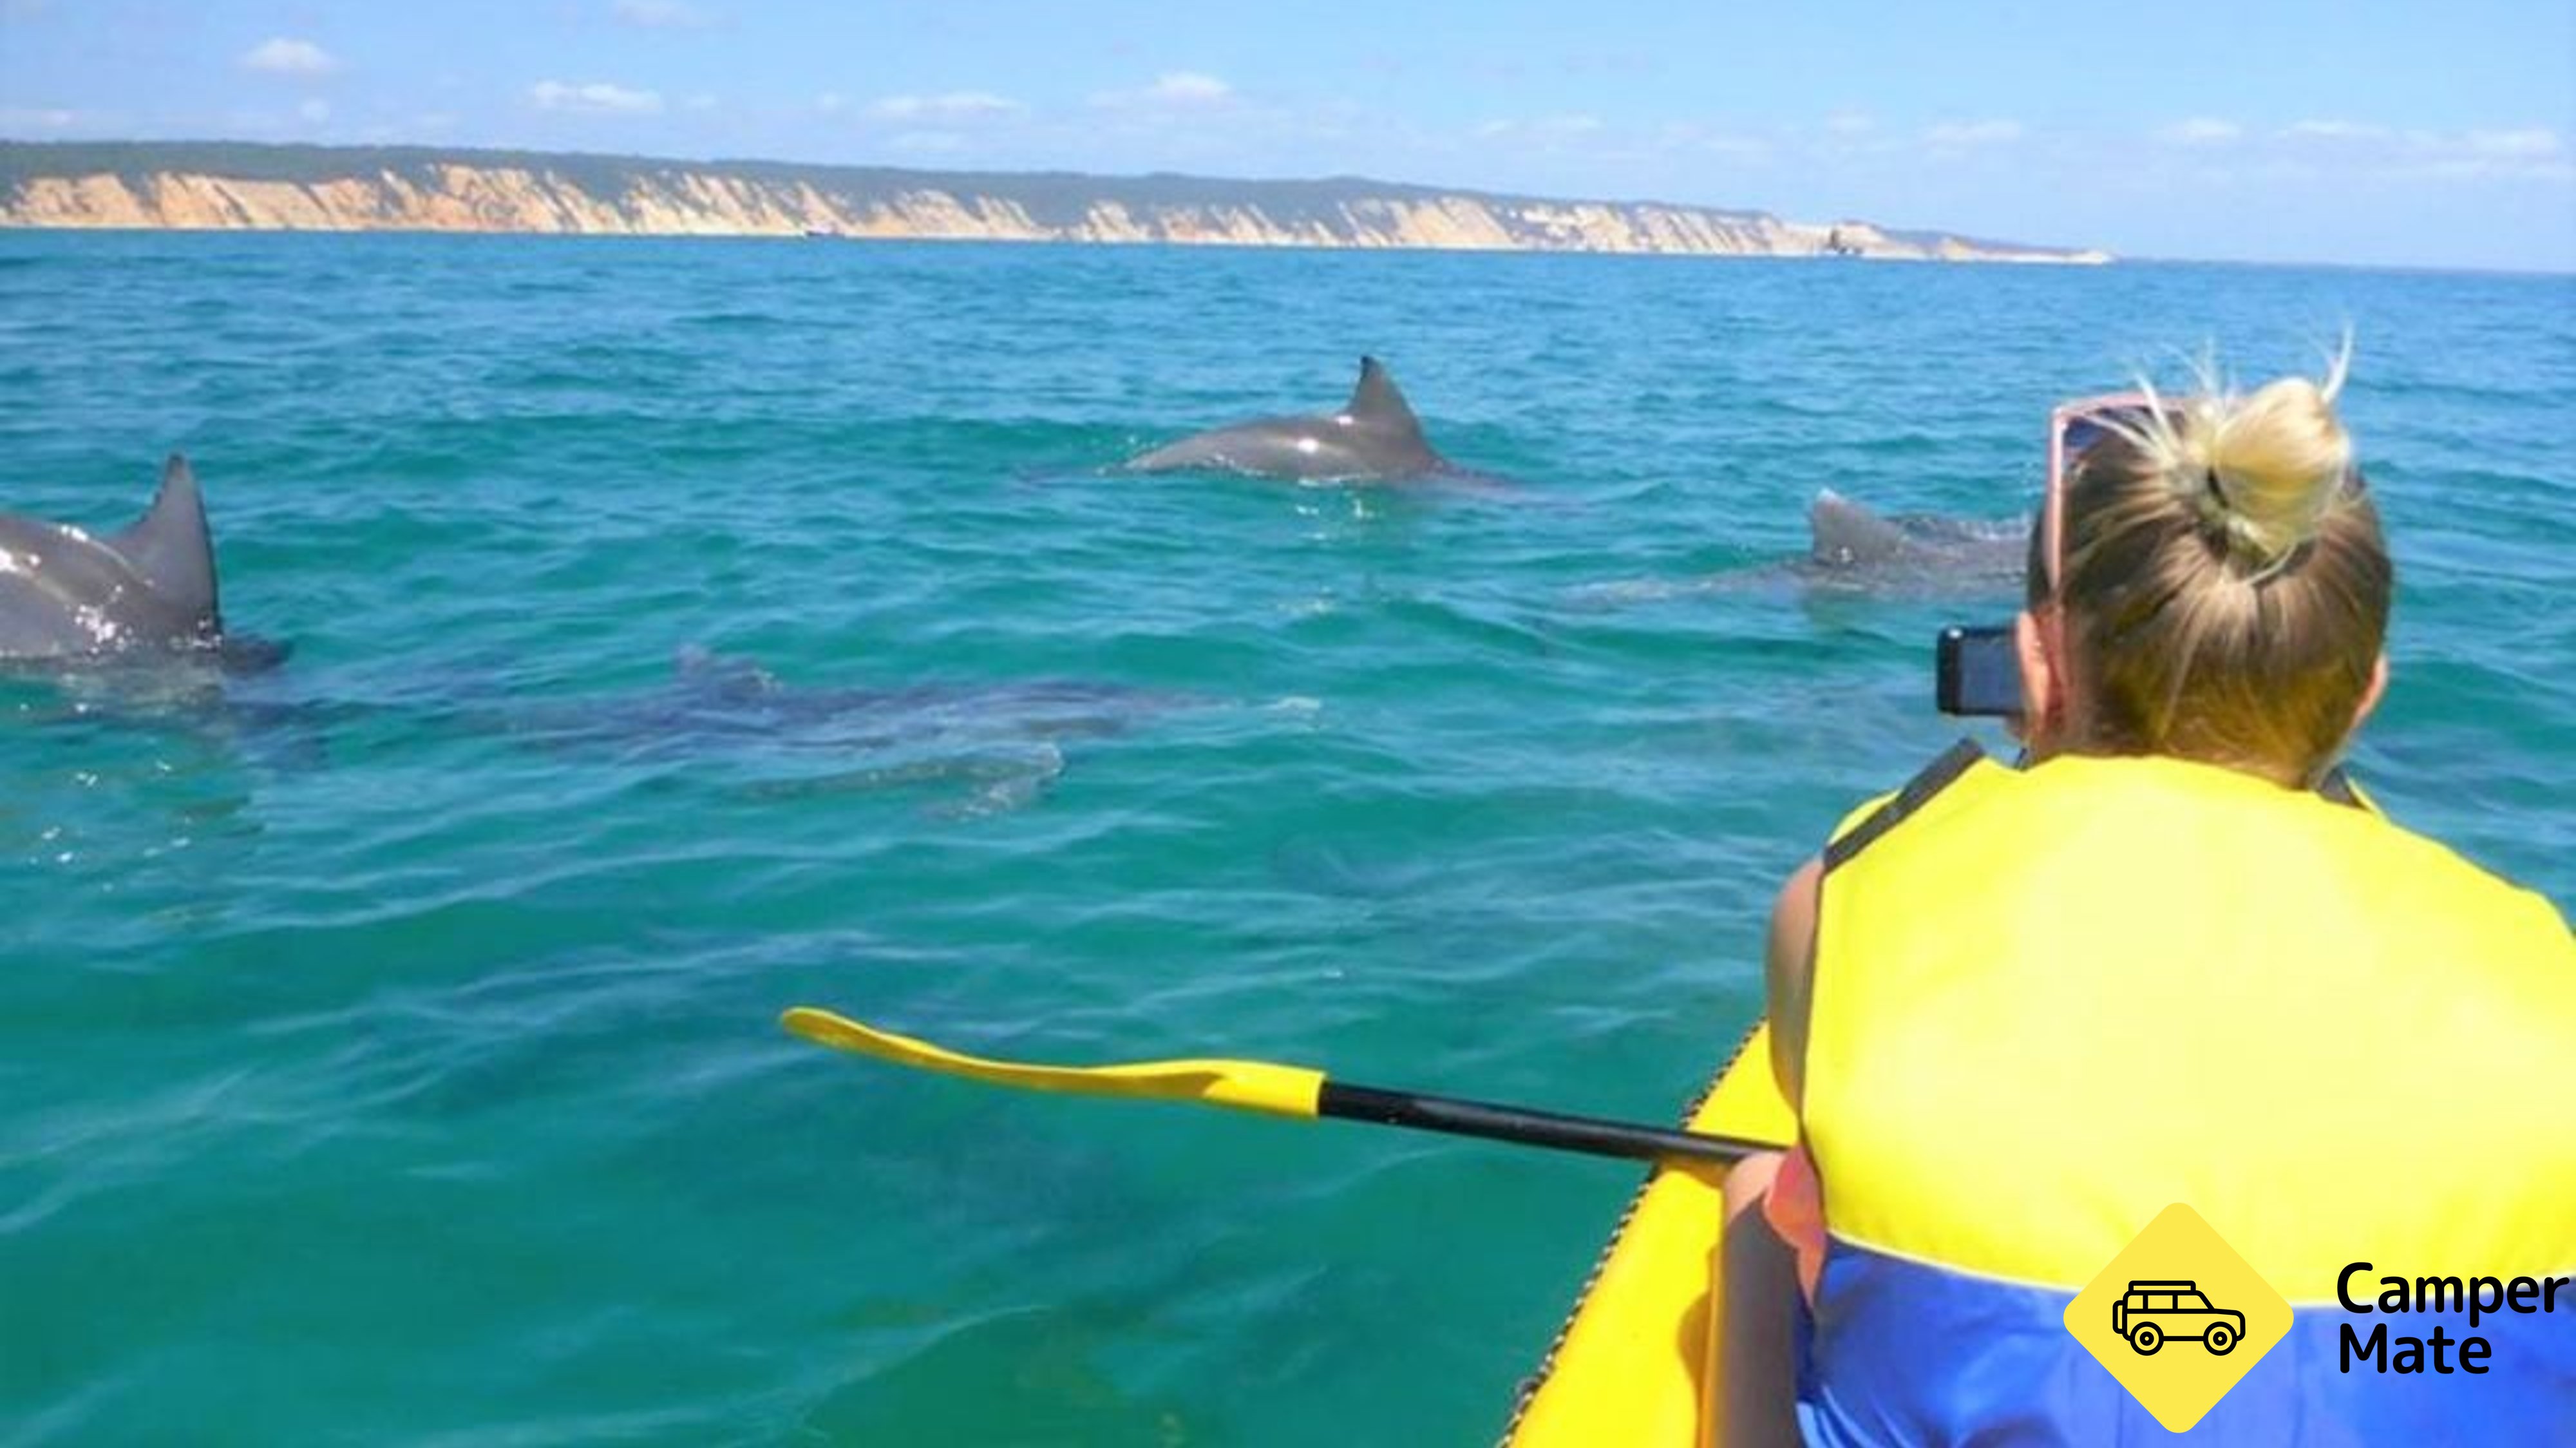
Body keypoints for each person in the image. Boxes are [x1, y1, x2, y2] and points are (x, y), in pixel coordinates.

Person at [1717, 352, 2575, 1445]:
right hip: (2342, 1363)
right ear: (2364, 696)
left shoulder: (1846, 897)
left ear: (2036, 667)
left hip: (2100, 1346)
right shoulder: (2536, 959)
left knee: (1761, 1196)